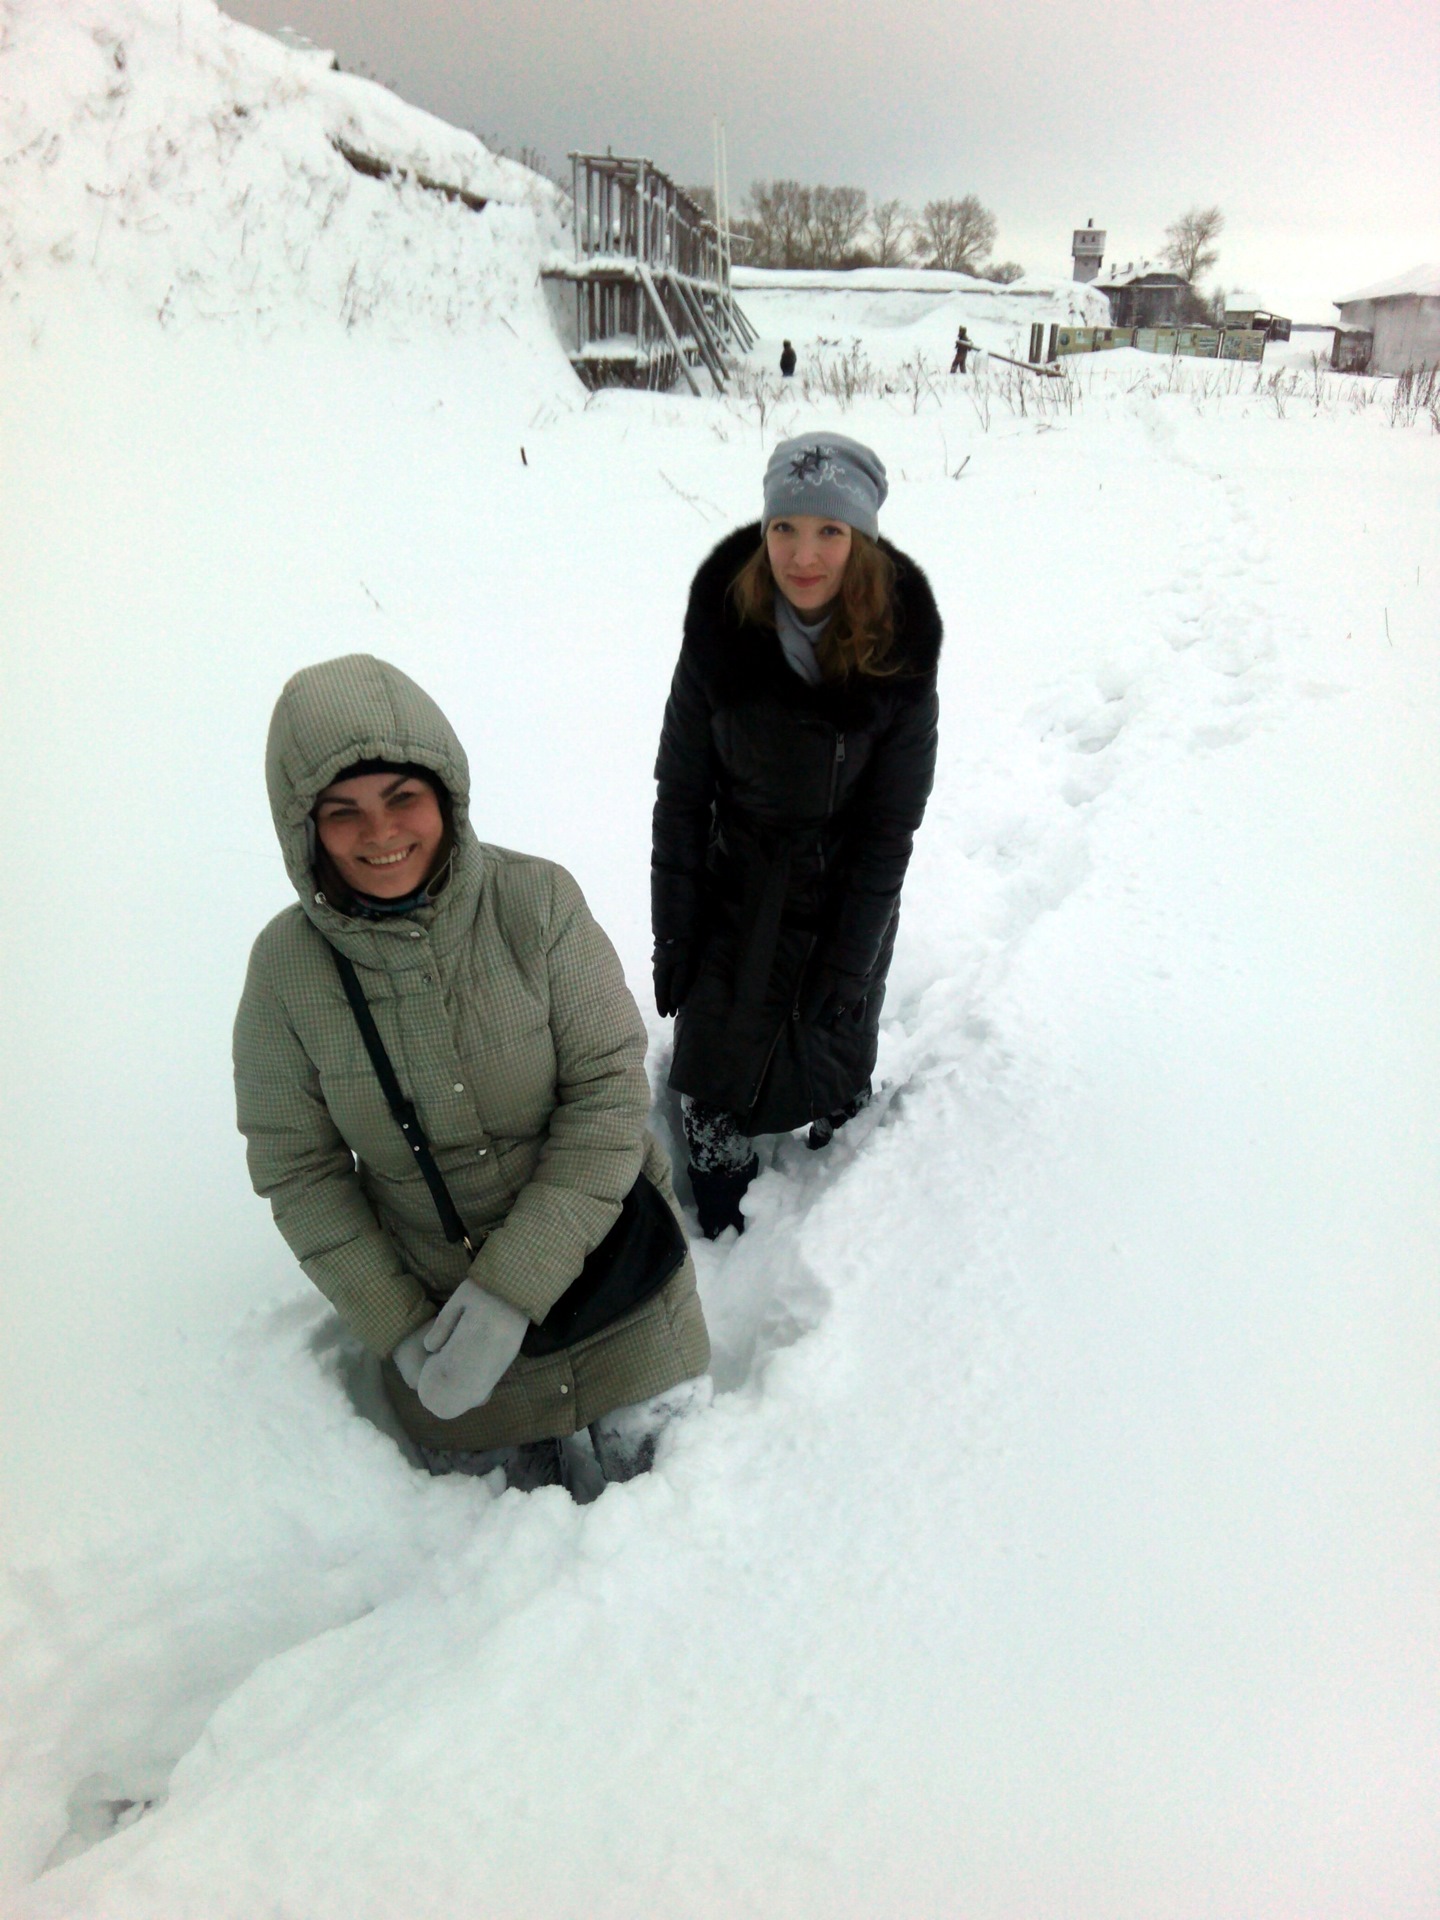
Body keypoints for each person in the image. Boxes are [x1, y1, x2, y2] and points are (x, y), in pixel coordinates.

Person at [235, 654, 710, 1491]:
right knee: (505, 1584)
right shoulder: (285, 974)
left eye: (401, 798)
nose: (380, 834)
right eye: (342, 812)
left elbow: (606, 1097)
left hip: (625, 1294)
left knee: (681, 1522)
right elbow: (298, 1171)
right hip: (454, 1357)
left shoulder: (538, 903)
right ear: (303, 829)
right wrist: (399, 1327)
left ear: (445, 795)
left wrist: (510, 1292)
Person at [651, 434, 943, 1237]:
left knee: (835, 1051)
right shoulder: (719, 633)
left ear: (863, 540)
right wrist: (674, 928)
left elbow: (891, 825)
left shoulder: (900, 653)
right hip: (734, 890)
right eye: (786, 528)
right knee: (714, 1077)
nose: (803, 555)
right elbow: (681, 792)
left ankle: (843, 1212)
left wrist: (851, 957)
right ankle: (718, 1223)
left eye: (830, 532)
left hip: (847, 890)